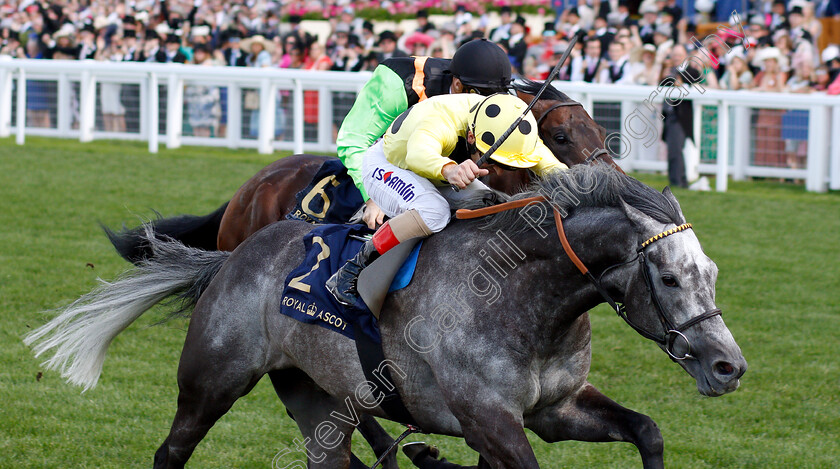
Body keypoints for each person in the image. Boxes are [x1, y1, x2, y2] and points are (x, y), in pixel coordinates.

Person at [326, 93, 567, 306]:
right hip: (389, 164)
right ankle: (350, 271)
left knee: (492, 203)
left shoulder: (513, 128)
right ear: (472, 137)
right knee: (435, 211)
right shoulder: (439, 119)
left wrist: (582, 187)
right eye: (495, 162)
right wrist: (450, 170)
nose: (501, 172)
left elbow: (555, 169)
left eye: (508, 165)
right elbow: (418, 155)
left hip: (431, 168)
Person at [335, 39, 513, 230]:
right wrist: (373, 197)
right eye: (481, 96)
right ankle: (364, 258)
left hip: (439, 169)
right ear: (458, 85)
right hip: (389, 164)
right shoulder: (397, 83)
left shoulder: (495, 98)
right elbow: (353, 141)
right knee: (433, 213)